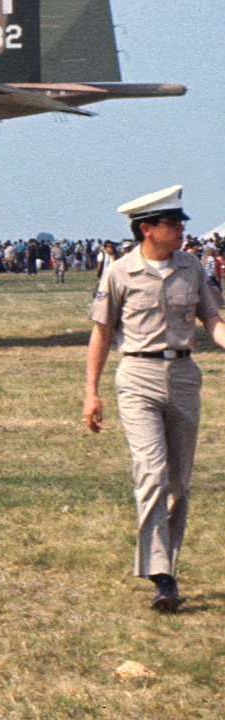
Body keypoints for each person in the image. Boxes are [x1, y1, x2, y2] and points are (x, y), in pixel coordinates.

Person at [84, 186, 225, 611]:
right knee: (151, 473)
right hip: (137, 376)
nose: (182, 230)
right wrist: (91, 392)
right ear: (147, 229)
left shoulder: (192, 268)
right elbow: (102, 333)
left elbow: (213, 319)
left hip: (184, 375)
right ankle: (160, 576)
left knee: (178, 483)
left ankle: (170, 567)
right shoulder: (119, 272)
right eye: (173, 223)